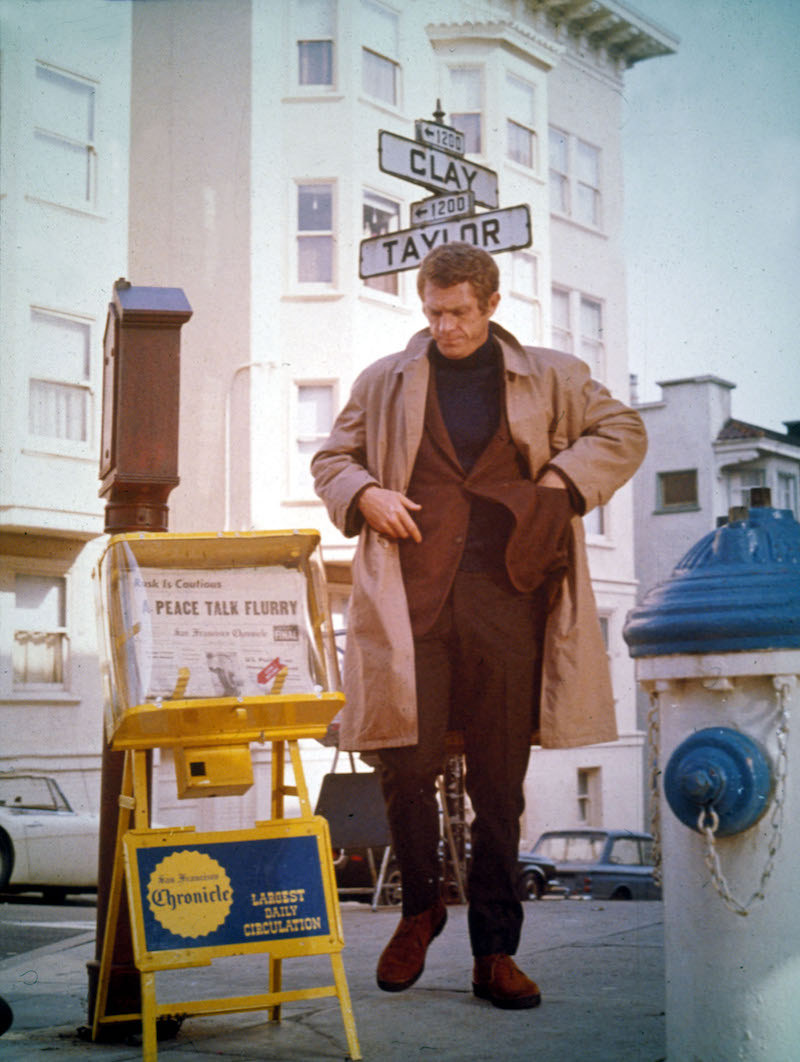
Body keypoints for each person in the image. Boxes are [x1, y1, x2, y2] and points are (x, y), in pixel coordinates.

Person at [311, 242, 646, 1009]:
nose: (445, 327)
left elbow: (622, 431)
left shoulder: (552, 374)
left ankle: (494, 951)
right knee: (404, 760)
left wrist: (561, 482)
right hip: (411, 601)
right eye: (432, 312)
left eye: (458, 312)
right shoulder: (385, 378)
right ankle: (420, 908)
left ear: (491, 305)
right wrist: (363, 492)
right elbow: (333, 457)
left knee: (500, 785)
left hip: (509, 599)